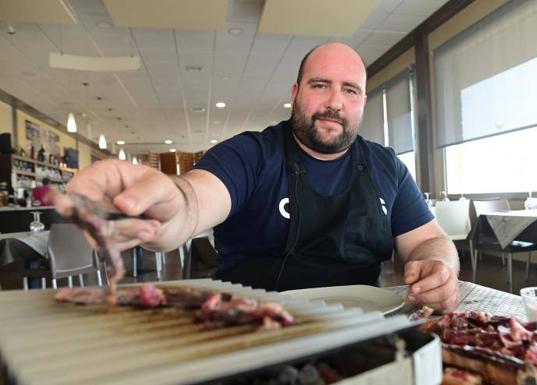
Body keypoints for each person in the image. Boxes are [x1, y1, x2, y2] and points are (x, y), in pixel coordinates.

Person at [66, 43, 460, 312]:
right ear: (296, 92)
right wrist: (168, 207)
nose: (335, 102)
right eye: (320, 85)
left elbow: (429, 240)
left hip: (359, 329)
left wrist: (439, 266)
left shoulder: (386, 166)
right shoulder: (250, 154)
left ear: (362, 102)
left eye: (350, 90)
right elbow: (193, 199)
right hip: (252, 327)